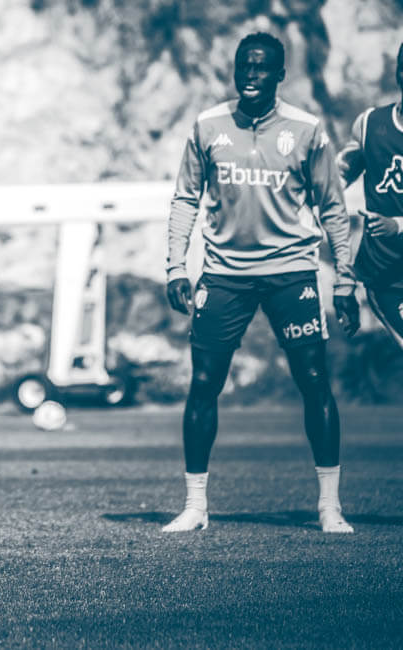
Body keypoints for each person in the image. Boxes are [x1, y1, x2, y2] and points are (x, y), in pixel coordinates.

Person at [163, 33, 360, 534]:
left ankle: (329, 507)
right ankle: (195, 506)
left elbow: (333, 207)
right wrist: (175, 266)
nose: (250, 75)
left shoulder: (307, 130)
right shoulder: (208, 125)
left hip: (291, 272)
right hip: (224, 275)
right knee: (203, 384)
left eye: (261, 68)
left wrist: (344, 279)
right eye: (243, 67)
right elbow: (185, 198)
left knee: (313, 380)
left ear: (279, 75)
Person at [336, 41, 403, 348]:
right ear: (398, 73)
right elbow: (338, 176)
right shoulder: (371, 124)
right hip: (387, 277)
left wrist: (396, 225)